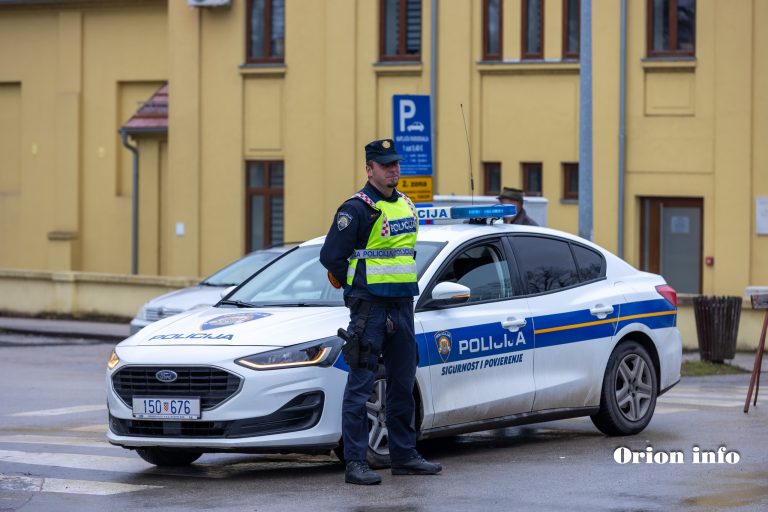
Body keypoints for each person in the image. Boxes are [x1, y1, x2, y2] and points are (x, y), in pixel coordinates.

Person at [320, 139, 442, 485]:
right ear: (369, 169)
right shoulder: (356, 209)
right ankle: (356, 462)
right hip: (369, 307)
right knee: (361, 386)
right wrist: (355, 286)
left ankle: (405, 455)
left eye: (396, 164)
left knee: (402, 383)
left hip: (403, 304)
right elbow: (331, 257)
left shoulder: (405, 204)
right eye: (386, 165)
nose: (394, 170)